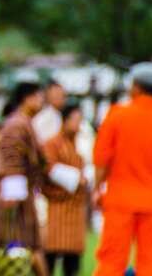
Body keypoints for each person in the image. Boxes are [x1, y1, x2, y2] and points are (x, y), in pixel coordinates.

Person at [93, 62, 152, 276]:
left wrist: (98, 187)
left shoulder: (117, 116)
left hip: (120, 200)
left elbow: (101, 159)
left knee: (111, 260)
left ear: (136, 87)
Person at [0, 76, 48, 276]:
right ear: (27, 98)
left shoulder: (22, 122)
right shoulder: (17, 124)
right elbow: (11, 162)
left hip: (17, 191)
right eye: (38, 97)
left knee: (28, 244)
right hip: (13, 194)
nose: (41, 101)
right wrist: (12, 195)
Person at [42, 102, 88, 276]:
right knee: (51, 254)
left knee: (73, 261)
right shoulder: (53, 143)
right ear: (65, 120)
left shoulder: (82, 142)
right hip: (57, 205)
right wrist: (77, 179)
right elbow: (48, 168)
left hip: (76, 208)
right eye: (75, 120)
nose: (78, 124)